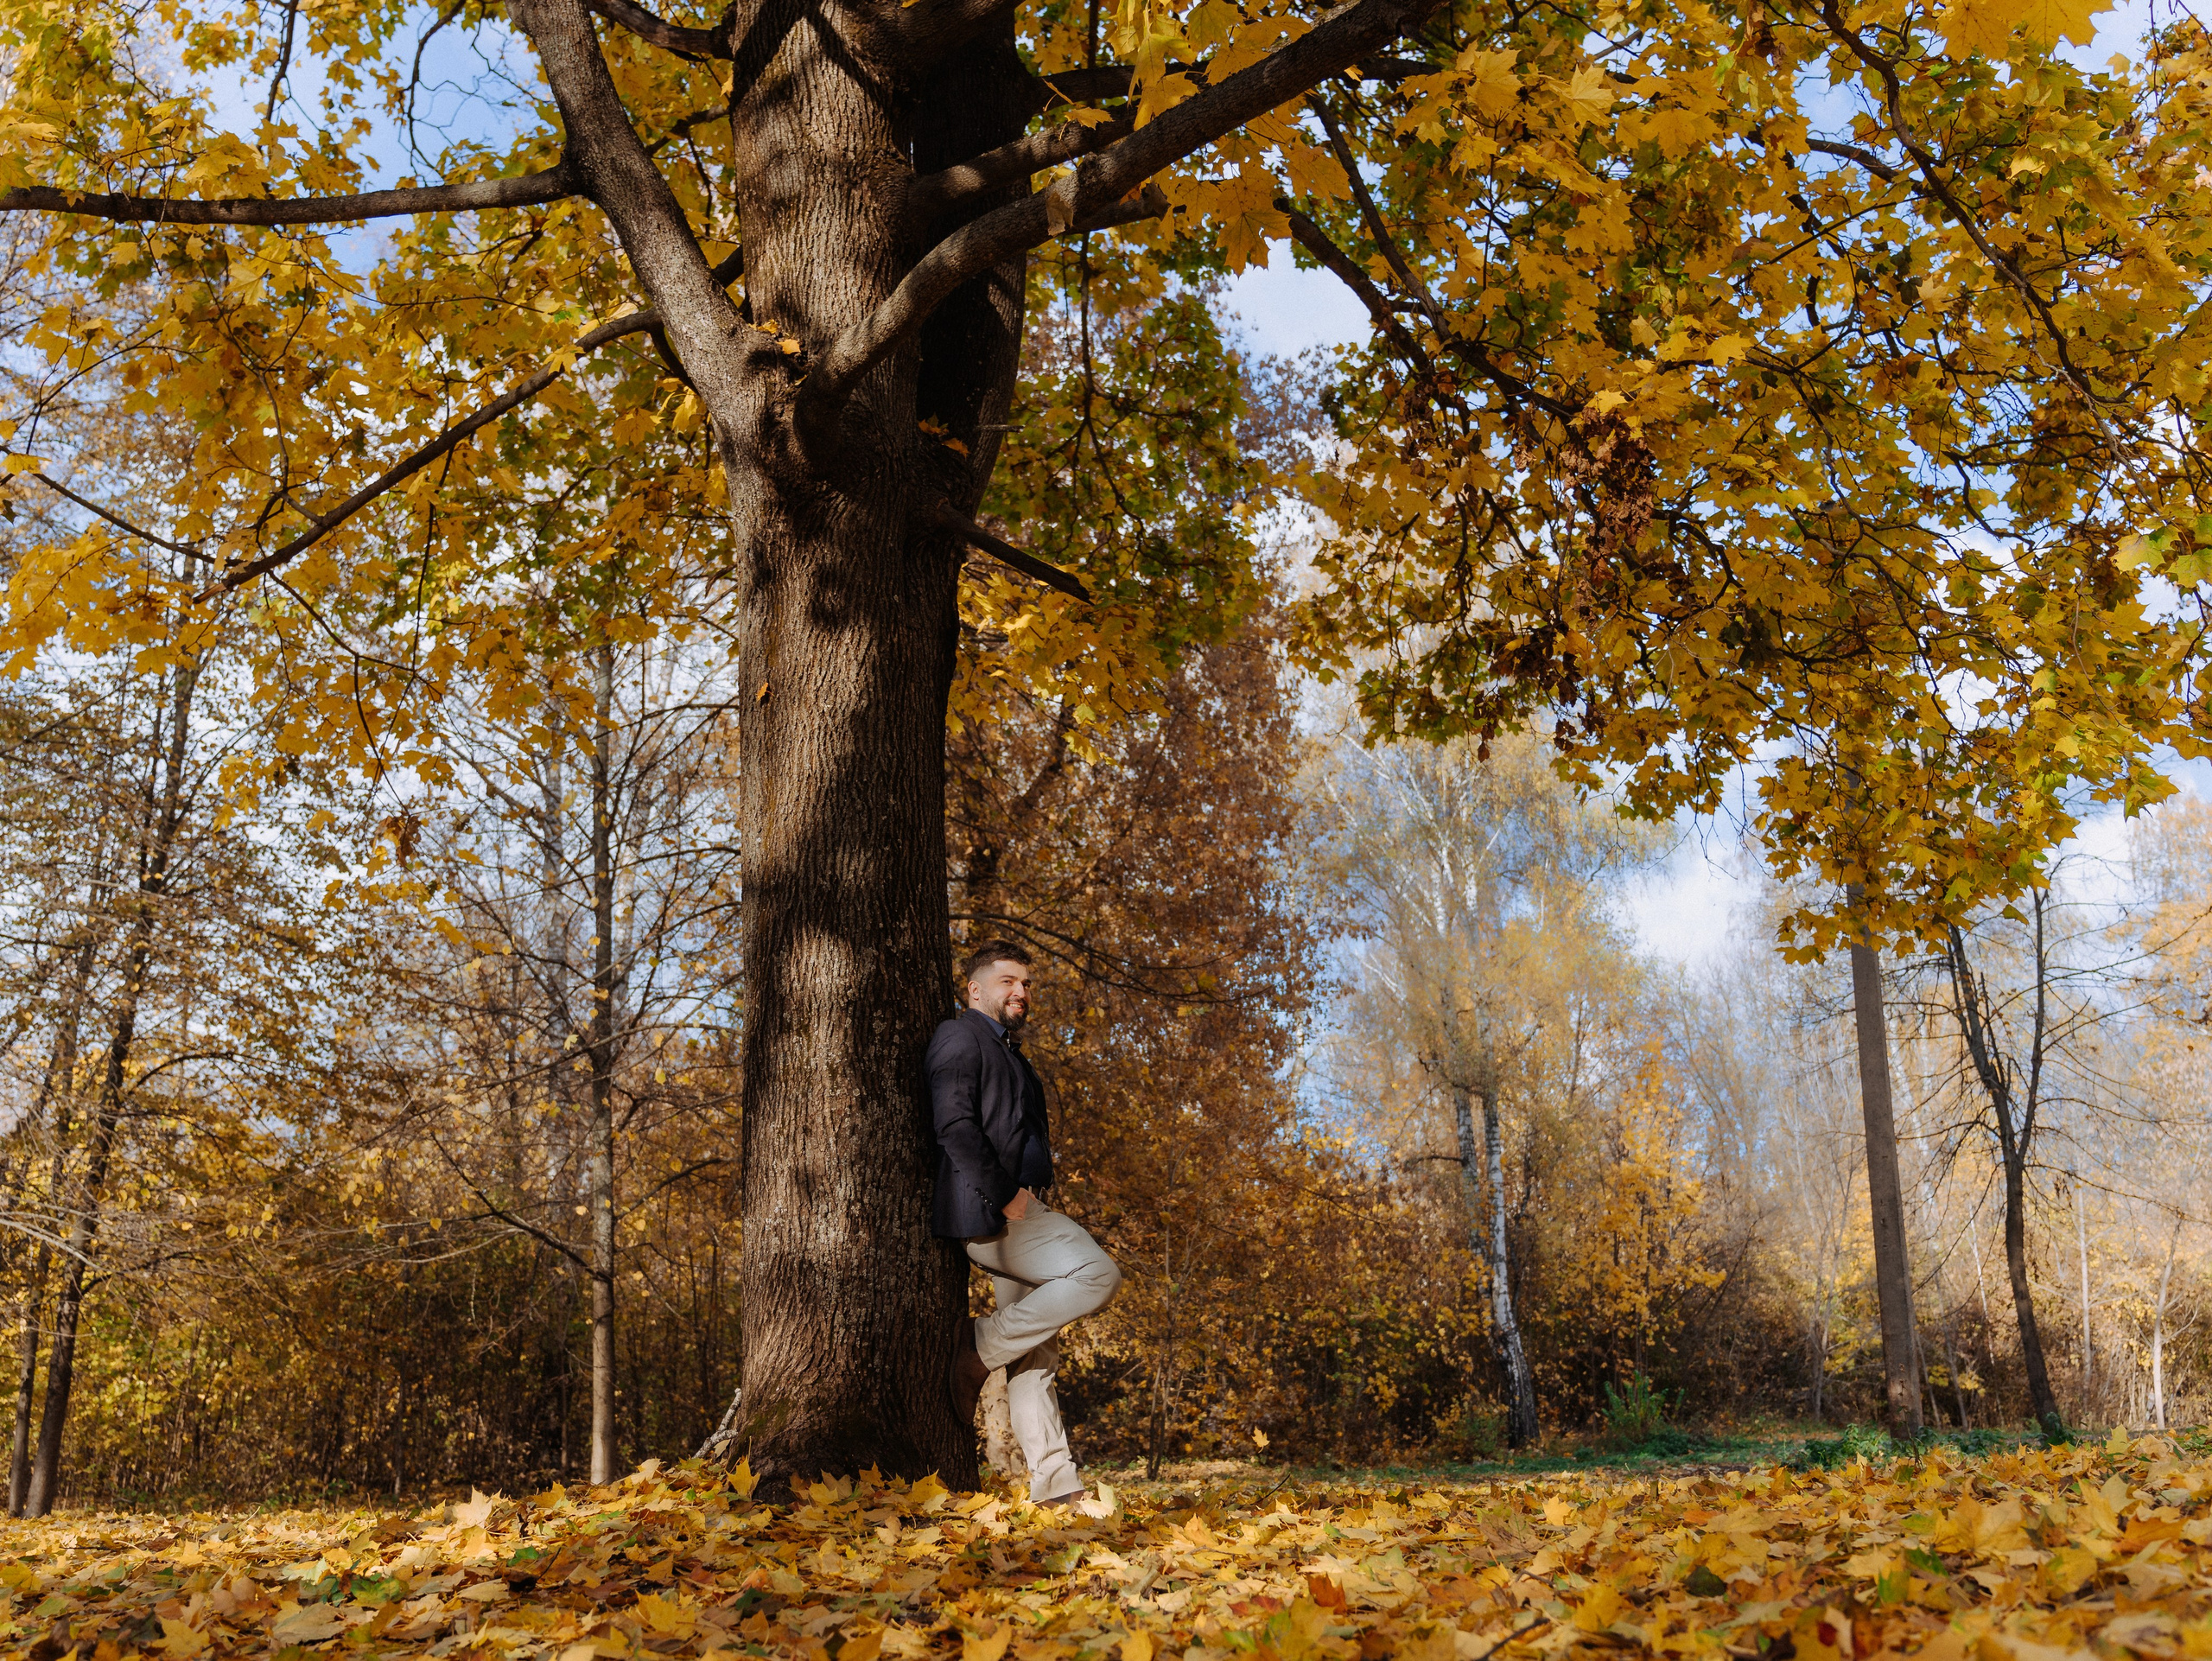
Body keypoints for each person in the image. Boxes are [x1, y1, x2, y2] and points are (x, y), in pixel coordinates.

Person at [928, 939, 1121, 1507]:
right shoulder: (960, 1035)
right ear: (975, 988)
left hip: (1015, 1205)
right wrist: (1007, 1194)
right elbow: (954, 1125)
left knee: (1035, 1354)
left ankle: (1055, 1484)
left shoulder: (1008, 1051)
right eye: (1009, 981)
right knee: (1096, 1274)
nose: (1021, 992)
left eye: (1027, 984)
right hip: (993, 1212)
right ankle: (978, 1346)